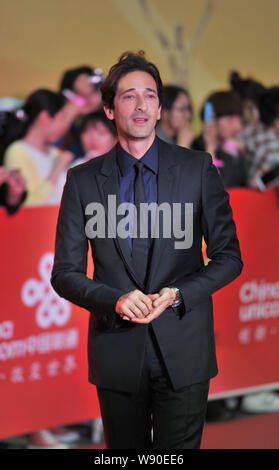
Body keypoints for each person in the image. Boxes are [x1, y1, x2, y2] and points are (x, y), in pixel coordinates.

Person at [51, 51, 243, 449]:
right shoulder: (83, 181)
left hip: (185, 348)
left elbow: (229, 257)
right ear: (108, 109)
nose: (141, 105)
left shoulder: (196, 168)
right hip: (117, 349)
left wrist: (177, 294)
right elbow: (65, 273)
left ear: (159, 109)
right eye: (128, 96)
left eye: (150, 96)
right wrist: (116, 300)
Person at [3, 89, 73, 206]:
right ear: (44, 117)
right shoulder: (17, 151)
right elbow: (27, 205)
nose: (64, 126)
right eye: (62, 118)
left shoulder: (56, 153)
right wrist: (56, 171)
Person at [191, 90, 247, 188]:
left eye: (240, 121)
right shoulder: (196, 147)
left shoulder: (233, 147)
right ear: (211, 119)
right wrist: (210, 146)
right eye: (229, 120)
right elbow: (217, 187)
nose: (238, 127)